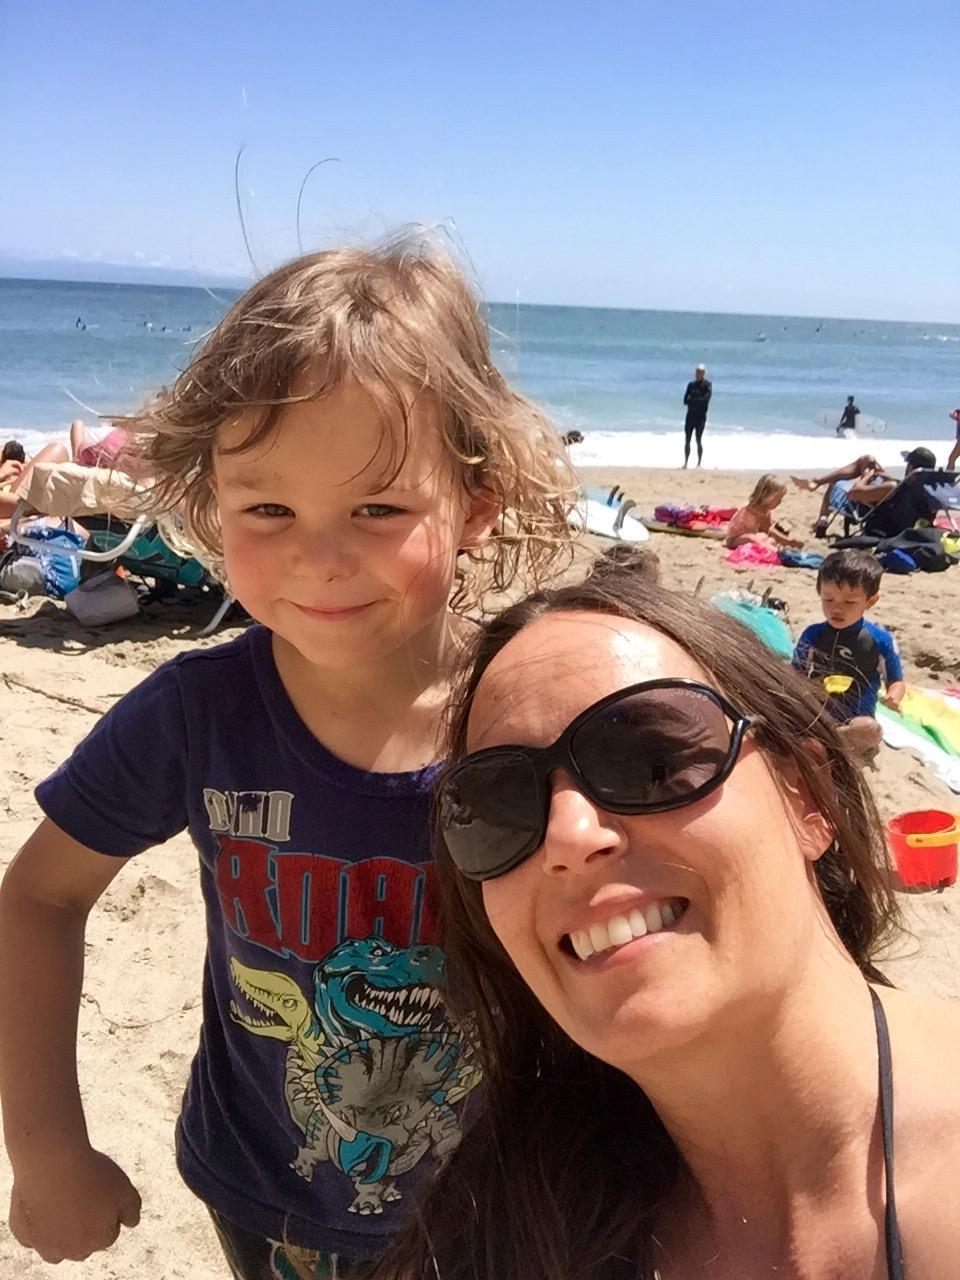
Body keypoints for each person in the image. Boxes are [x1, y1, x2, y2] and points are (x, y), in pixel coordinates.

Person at [0, 236, 576, 1279]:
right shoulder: (199, 715)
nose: (320, 556)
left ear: (477, 504)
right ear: (212, 504)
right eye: (269, 508)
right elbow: (39, 897)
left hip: (512, 1204)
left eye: (378, 507)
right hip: (273, 1196)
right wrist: (46, 1148)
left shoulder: (540, 711)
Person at [376, 568, 960, 1280]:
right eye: (497, 805)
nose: (569, 835)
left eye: (650, 761)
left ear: (807, 799)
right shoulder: (496, 1224)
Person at [793, 549, 905, 757]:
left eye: (849, 602)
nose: (837, 609)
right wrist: (811, 689)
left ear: (870, 601)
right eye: (828, 599)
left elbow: (896, 680)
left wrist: (894, 697)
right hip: (818, 712)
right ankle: (831, 740)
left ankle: (833, 740)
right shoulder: (813, 635)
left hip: (856, 717)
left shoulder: (879, 639)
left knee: (869, 729)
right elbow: (795, 675)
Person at [793, 448, 935, 538]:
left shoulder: (892, 487)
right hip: (884, 503)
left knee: (836, 481)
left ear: (910, 467)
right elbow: (900, 492)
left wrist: (867, 476)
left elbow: (852, 493)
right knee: (868, 459)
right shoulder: (927, 489)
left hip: (861, 507)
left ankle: (822, 519)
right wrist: (882, 475)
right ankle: (816, 482)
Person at [724, 474, 803, 550]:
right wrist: (788, 541)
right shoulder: (755, 509)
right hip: (735, 539)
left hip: (750, 535)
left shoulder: (766, 511)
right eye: (778, 498)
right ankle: (773, 550)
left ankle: (767, 546)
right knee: (751, 537)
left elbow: (768, 530)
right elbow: (770, 531)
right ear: (767, 496)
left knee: (769, 538)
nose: (780, 502)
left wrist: (787, 541)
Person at [682, 363, 711, 468]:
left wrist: (693, 399)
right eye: (696, 372)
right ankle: (685, 463)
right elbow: (685, 400)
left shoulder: (707, 385)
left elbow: (706, 400)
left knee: (698, 439)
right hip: (690, 416)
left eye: (699, 372)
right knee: (687, 439)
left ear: (703, 373)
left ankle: (699, 463)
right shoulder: (691, 385)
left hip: (700, 417)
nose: (697, 374)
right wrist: (696, 400)